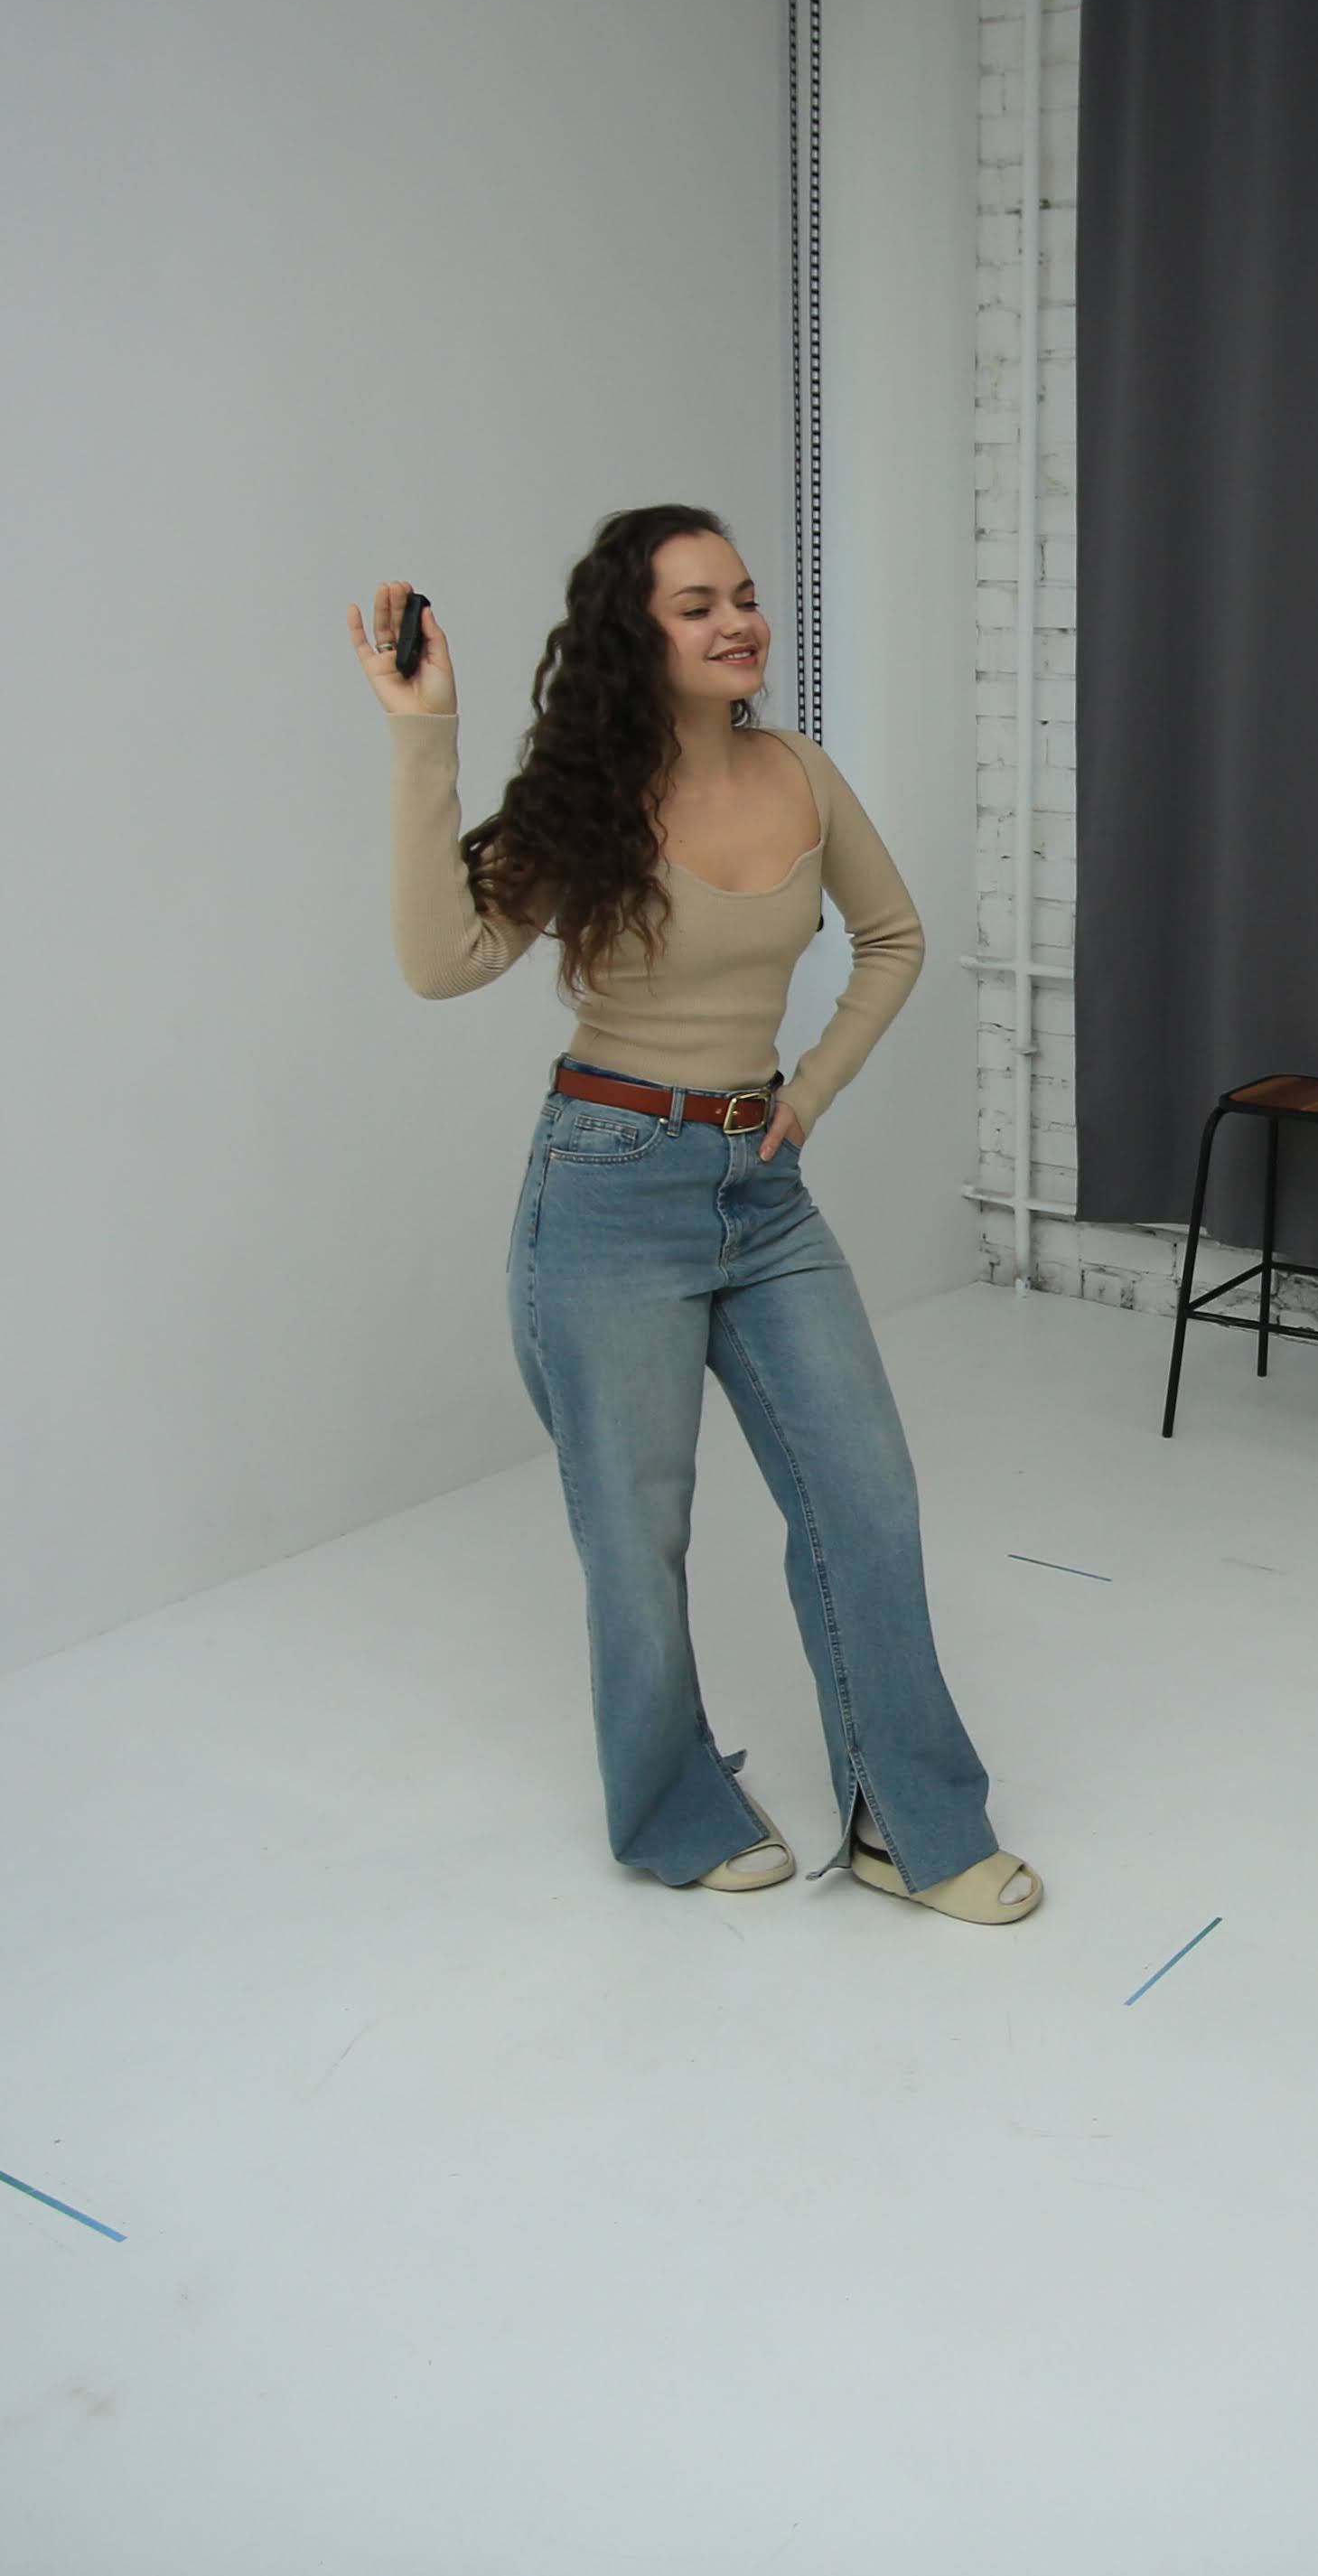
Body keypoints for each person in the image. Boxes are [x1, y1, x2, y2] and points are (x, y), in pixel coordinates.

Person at [348, 503, 1039, 1926]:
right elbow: (440, 959)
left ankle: (910, 1821)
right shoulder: (583, 800)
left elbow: (895, 937)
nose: (736, 622)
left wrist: (811, 1092)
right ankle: (669, 1812)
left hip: (760, 1189)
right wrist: (425, 735)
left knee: (863, 1493)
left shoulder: (801, 773)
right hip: (607, 1187)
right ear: (635, 636)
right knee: (636, 1530)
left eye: (743, 595)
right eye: (695, 605)